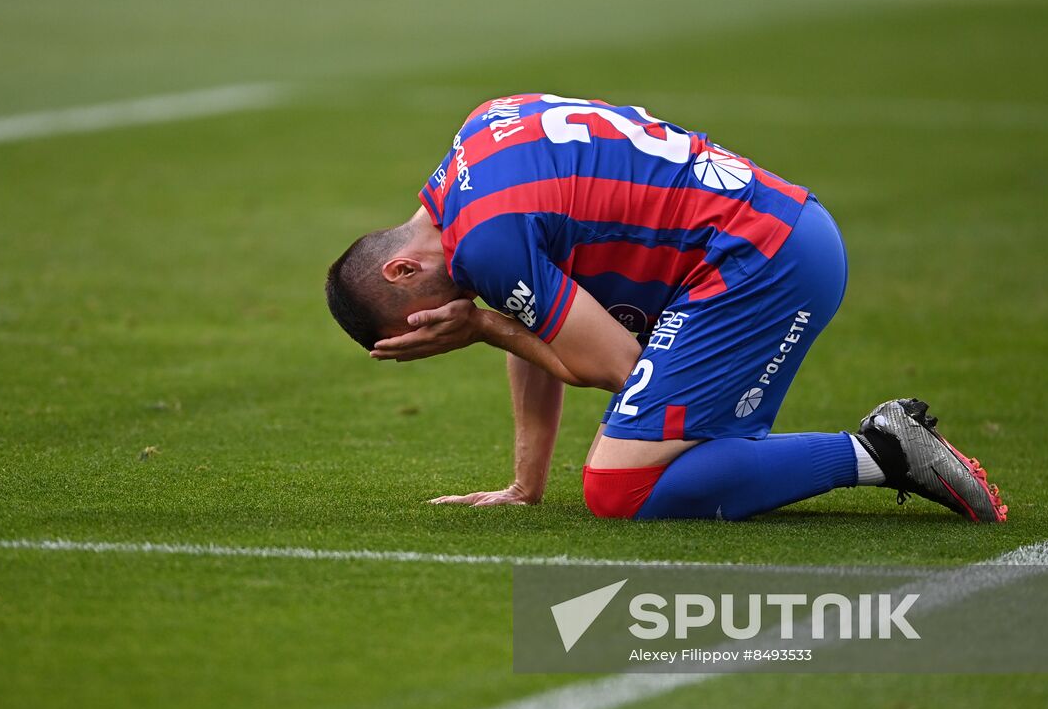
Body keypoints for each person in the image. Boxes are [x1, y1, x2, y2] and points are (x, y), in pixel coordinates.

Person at [324, 93, 1006, 522]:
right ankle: (747, 443)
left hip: (759, 264)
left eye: (423, 322)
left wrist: (481, 326)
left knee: (618, 490)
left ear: (404, 268)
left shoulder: (486, 244)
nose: (440, 324)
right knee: (660, 450)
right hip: (778, 230)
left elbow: (616, 365)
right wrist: (525, 485)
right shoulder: (478, 132)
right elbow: (537, 309)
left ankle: (882, 451)